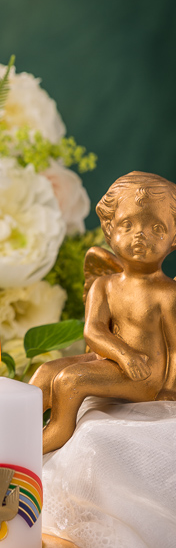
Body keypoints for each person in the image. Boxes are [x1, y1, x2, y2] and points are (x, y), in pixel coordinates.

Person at [30, 171, 176, 454]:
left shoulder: (168, 293)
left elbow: (175, 347)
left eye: (156, 227)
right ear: (109, 230)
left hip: (146, 376)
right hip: (116, 359)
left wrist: (169, 389)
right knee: (46, 371)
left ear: (174, 237)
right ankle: (11, 432)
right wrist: (124, 354)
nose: (140, 235)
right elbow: (93, 331)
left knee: (70, 380)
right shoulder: (104, 285)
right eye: (127, 224)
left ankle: (51, 436)